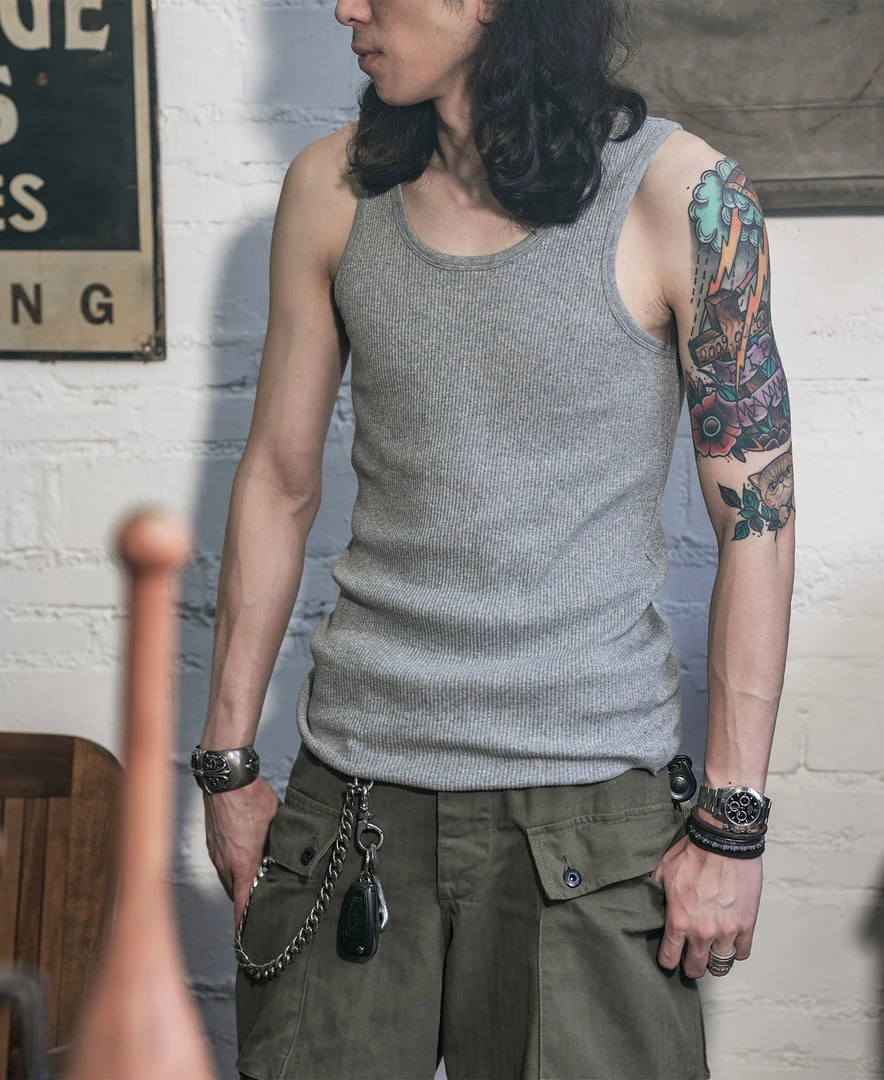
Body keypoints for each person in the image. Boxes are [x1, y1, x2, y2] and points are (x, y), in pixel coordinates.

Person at [193, 1, 795, 1077]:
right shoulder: (332, 189)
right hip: (354, 804)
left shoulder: (683, 195)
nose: (345, 7)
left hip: (590, 826)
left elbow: (756, 518)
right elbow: (279, 483)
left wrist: (730, 821)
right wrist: (228, 765)